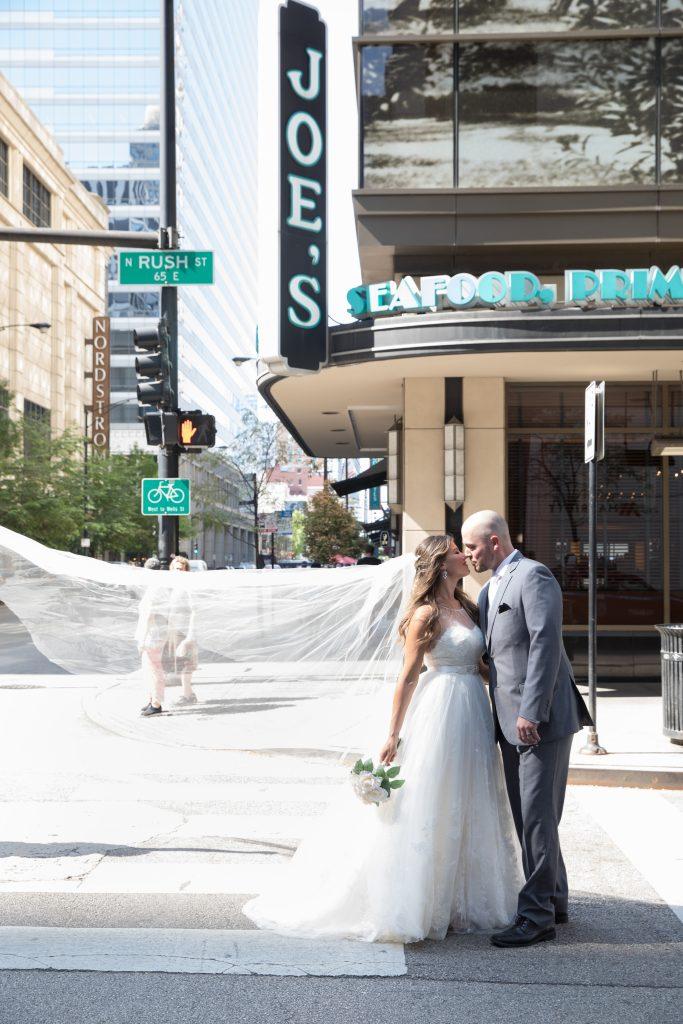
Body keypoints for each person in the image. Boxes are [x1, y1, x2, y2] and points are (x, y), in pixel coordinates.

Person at [243, 534, 522, 942]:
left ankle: (461, 900)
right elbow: (408, 675)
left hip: (472, 708)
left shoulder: (467, 607)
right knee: (430, 799)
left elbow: (480, 663)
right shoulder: (426, 614)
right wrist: (393, 733)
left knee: (470, 796)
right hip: (440, 706)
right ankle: (418, 899)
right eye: (458, 552)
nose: (466, 556)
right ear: (442, 564)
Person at [461, 510, 593, 948]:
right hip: (508, 719)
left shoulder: (533, 576)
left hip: (540, 720)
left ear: (495, 542)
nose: (469, 555)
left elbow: (545, 645)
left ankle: (536, 917)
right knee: (529, 817)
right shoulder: (487, 589)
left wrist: (530, 712)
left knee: (536, 817)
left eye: (473, 547)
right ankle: (554, 899)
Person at [136, 556, 169, 718]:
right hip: (155, 634)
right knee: (151, 669)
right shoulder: (158, 587)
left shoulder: (154, 589)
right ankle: (152, 699)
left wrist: (141, 639)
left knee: (154, 669)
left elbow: (149, 616)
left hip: (152, 636)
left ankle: (156, 703)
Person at [166, 555, 199, 706]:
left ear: (186, 571)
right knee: (179, 663)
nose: (176, 571)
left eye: (180, 568)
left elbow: (195, 611)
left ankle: (188, 695)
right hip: (174, 630)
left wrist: (190, 636)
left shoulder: (188, 588)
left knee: (187, 663)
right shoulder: (171, 587)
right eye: (174, 568)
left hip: (185, 631)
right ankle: (188, 694)